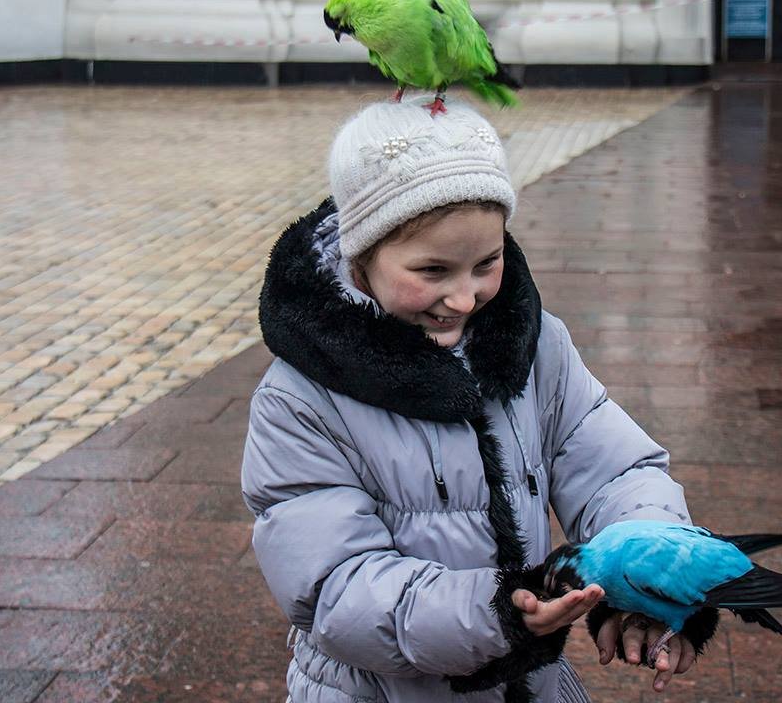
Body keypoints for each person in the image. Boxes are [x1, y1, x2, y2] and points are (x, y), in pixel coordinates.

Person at [241, 98, 695, 703]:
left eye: (487, 263)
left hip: (531, 685)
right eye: (432, 271)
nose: (463, 297)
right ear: (362, 255)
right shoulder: (299, 399)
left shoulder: (536, 346)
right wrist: (499, 613)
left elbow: (614, 471)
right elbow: (336, 585)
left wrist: (650, 582)